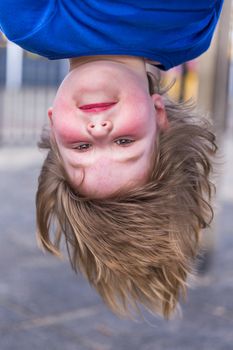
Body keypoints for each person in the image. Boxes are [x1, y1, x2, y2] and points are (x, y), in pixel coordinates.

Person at [0, 1, 223, 318]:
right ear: (158, 116)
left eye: (81, 147)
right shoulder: (188, 33)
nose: (99, 130)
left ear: (53, 127)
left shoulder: (32, 22)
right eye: (124, 141)